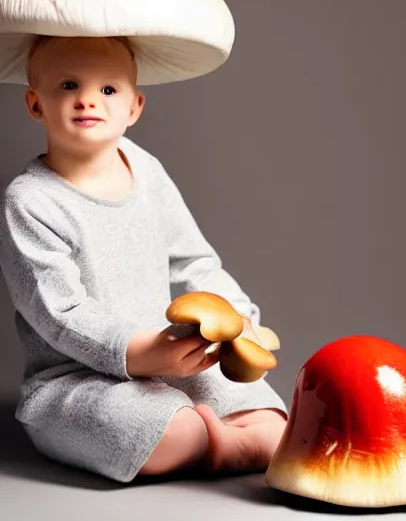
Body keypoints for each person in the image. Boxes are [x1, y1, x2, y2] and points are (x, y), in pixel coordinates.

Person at [0, 33, 287, 483]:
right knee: (169, 429)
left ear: (134, 107)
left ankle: (227, 435)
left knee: (269, 415)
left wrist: (240, 319)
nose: (87, 101)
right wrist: (144, 354)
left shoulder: (145, 169)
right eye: (68, 86)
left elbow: (195, 262)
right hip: (75, 381)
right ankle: (207, 440)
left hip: (167, 358)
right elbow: (59, 314)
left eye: (108, 90)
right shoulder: (31, 200)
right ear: (36, 104)